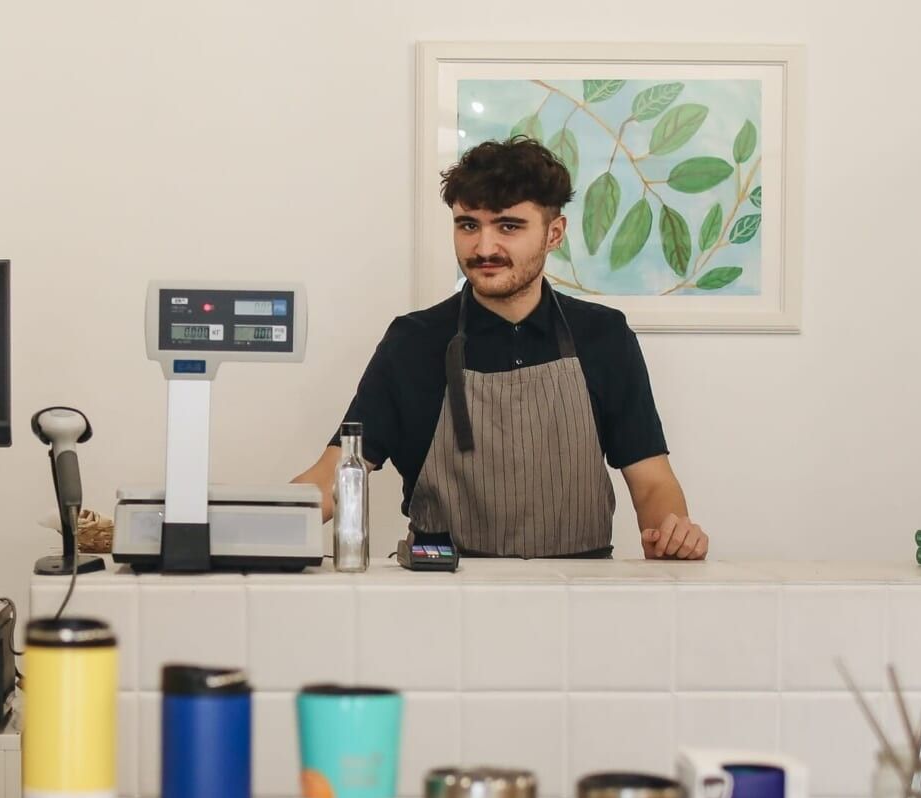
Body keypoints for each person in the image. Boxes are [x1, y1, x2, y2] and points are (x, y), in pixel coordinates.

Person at [293, 137, 708, 560]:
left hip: (579, 596)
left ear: (554, 233)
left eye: (509, 226)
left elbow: (652, 481)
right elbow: (337, 471)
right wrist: (254, 522)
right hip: (440, 595)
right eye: (468, 225)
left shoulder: (604, 336)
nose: (484, 248)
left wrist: (672, 535)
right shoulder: (413, 341)